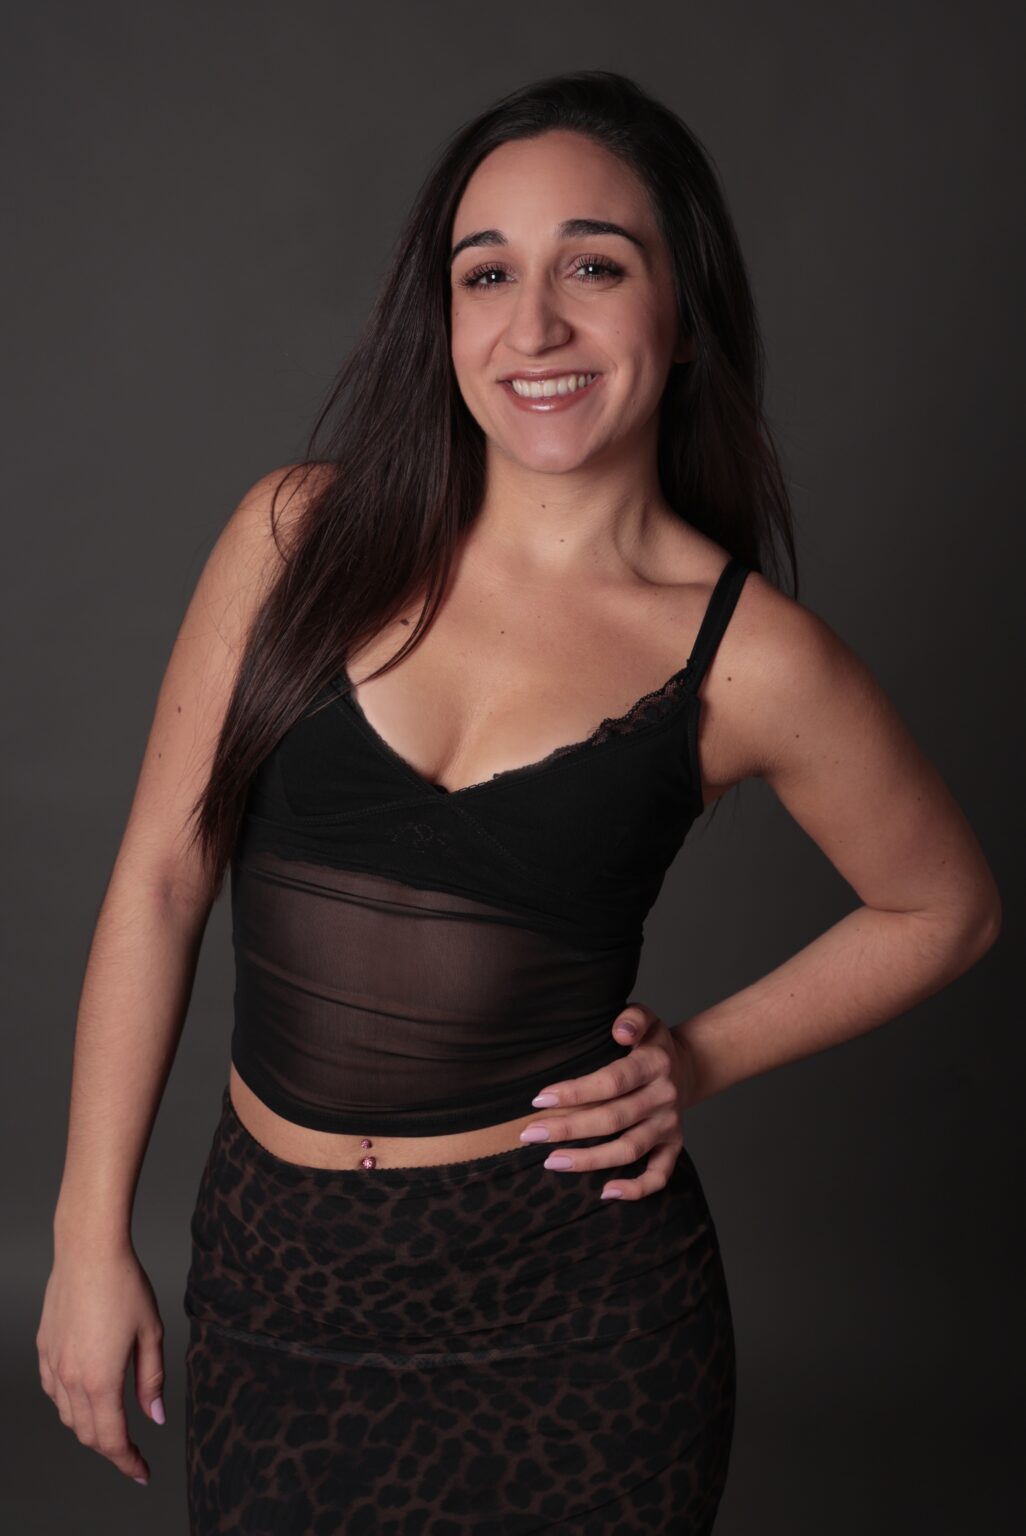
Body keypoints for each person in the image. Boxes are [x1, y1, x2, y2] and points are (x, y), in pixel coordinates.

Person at [36, 70, 1001, 1534]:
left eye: (592, 267)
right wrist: (85, 1233)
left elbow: (945, 906)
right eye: (486, 274)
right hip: (275, 1288)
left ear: (683, 315)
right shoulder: (294, 537)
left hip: (578, 1322)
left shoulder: (748, 657)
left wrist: (699, 1058)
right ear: (442, 318)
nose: (533, 325)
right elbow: (161, 887)